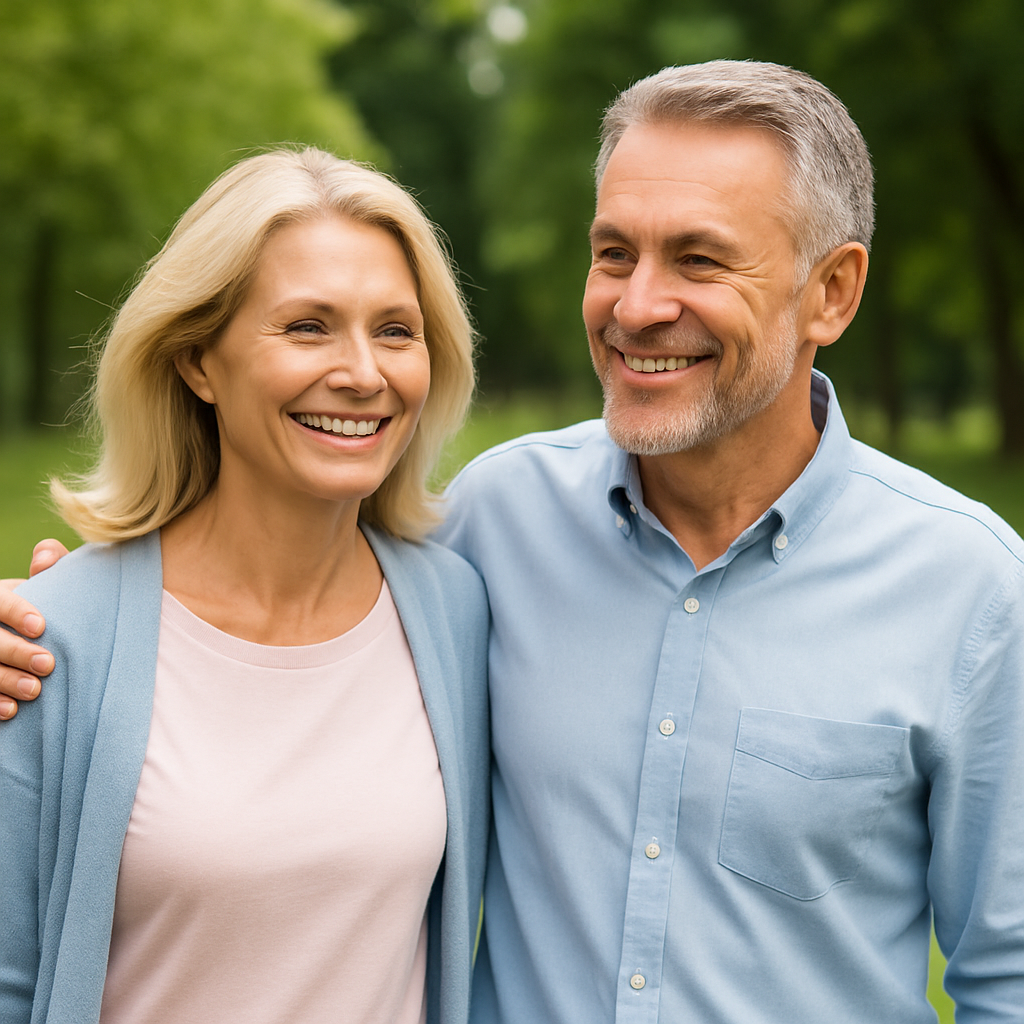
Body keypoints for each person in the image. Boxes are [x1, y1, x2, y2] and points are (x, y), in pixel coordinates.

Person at [3, 60, 1024, 1023]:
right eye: (613, 251)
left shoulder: (967, 587)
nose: (636, 306)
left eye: (699, 259)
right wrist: (75, 616)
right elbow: (252, 569)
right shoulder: (494, 525)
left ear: (832, 293)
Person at [0, 146, 489, 1024]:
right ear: (197, 361)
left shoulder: (455, 610)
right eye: (307, 326)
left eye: (395, 330)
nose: (364, 373)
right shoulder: (51, 639)